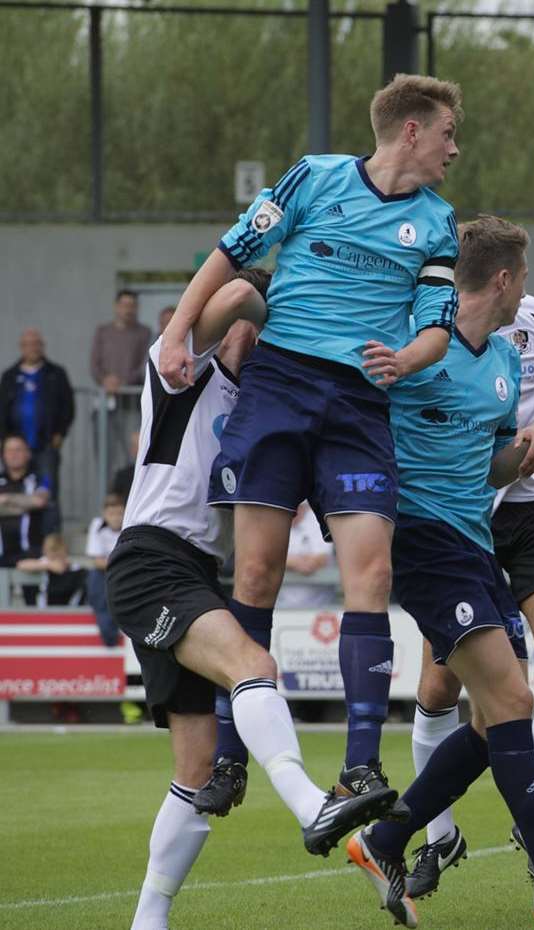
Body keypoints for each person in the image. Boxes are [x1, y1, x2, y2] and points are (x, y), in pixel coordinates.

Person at [170, 74, 463, 810]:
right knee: (256, 576)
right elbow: (231, 252)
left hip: (360, 407)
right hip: (279, 388)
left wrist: (410, 357)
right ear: (411, 131)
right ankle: (231, 760)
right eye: (449, 133)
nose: (455, 149)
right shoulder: (314, 176)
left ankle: (360, 765)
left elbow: (437, 321)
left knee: (371, 578)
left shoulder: (438, 221)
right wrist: (178, 330)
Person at [344, 216, 534, 930]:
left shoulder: (505, 368)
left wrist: (527, 454)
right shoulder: (412, 345)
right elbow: (351, 419)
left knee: (492, 716)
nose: (527, 292)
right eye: (526, 279)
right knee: (511, 703)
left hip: (473, 543)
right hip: (419, 540)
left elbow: (489, 465)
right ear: (503, 281)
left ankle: (384, 841)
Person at [108, 273, 401, 930]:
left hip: (195, 573)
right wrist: (289, 306)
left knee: (195, 770)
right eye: (266, 331)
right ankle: (309, 807)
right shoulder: (181, 367)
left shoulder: (263, 408)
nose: (264, 341)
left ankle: (146, 921)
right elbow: (238, 293)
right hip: (150, 559)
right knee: (255, 667)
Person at [0, 328, 74, 520]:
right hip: (15, 446)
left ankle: (51, 540)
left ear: (42, 347)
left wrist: (60, 433)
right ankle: (16, 537)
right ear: (21, 347)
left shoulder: (56, 374)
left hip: (45, 445)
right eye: (28, 344)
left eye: (36, 344)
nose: (33, 348)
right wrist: (4, 439)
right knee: (14, 491)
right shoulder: (9, 376)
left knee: (48, 490)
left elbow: (68, 407)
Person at [91, 289, 152, 475]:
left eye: (132, 305)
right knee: (104, 454)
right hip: (105, 403)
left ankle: (128, 497)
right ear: (116, 307)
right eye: (124, 305)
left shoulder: (144, 333)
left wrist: (122, 384)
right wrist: (105, 380)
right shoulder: (103, 331)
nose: (128, 309)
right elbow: (94, 363)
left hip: (131, 403)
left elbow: (144, 364)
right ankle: (107, 498)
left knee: (132, 451)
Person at [275, 502, 337, 610]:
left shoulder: (317, 519)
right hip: (279, 605)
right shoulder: (273, 519)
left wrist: (285, 561)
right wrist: (294, 562)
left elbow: (320, 559)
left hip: (321, 606)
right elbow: (265, 556)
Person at [0, 433, 50, 567]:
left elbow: (40, 501)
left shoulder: (40, 478)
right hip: (2, 555)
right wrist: (25, 505)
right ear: (3, 455)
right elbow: (33, 503)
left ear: (28, 453)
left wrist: (6, 499)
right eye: (9, 450)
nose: (13, 454)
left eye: (18, 450)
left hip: (31, 554)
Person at [85, 492, 126, 645]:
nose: (115, 517)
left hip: (126, 574)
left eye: (119, 513)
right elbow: (97, 562)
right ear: (104, 514)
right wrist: (119, 563)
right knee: (96, 580)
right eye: (111, 513)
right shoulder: (97, 525)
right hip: (106, 573)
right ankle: (109, 634)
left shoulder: (132, 525)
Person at [17, 533, 86, 607]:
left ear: (65, 551)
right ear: (45, 551)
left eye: (59, 554)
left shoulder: (73, 566)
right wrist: (49, 566)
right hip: (44, 606)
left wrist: (64, 567)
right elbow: (21, 565)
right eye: (53, 554)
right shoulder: (44, 561)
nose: (56, 557)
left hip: (68, 606)